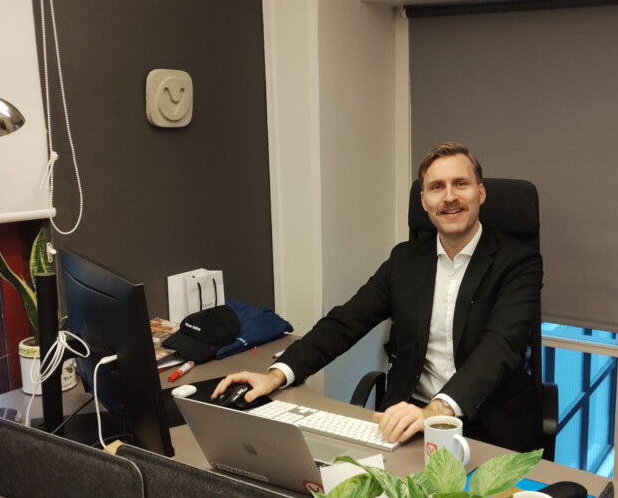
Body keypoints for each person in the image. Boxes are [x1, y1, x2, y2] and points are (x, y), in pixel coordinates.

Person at [212, 142, 544, 452]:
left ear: (480, 192)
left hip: (487, 423)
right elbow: (345, 323)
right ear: (424, 201)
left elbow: (499, 348)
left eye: (461, 184)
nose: (449, 197)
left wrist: (437, 411)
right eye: (436, 187)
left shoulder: (518, 262)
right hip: (407, 416)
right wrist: (275, 374)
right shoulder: (405, 261)